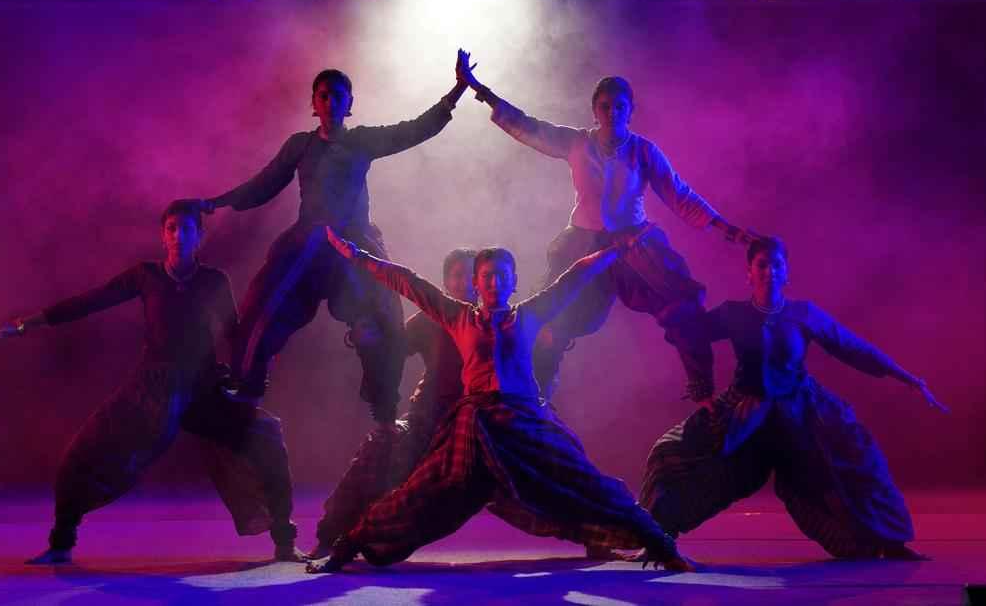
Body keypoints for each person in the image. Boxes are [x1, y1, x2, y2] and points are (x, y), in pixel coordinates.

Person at [308, 227, 695, 573]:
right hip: (475, 423)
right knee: (418, 492)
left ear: (514, 281)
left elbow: (575, 276)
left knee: (587, 481)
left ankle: (662, 546)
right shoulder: (458, 316)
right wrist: (357, 255)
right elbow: (408, 281)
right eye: (487, 277)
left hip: (524, 418)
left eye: (501, 276)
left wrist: (615, 249)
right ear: (477, 283)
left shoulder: (529, 314)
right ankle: (345, 549)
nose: (494, 283)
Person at [0, 200, 302, 564]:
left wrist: (255, 367)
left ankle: (285, 543)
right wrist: (25, 324)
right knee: (83, 452)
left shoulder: (214, 280)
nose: (179, 235)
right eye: (172, 229)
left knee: (265, 436)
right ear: (163, 236)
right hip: (152, 389)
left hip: (202, 388)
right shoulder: (145, 276)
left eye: (187, 229)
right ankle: (61, 543)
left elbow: (235, 333)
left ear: (199, 236)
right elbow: (91, 301)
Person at [454, 56, 758, 406]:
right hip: (583, 243)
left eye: (619, 107)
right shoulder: (576, 142)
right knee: (548, 320)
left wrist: (729, 230)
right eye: (605, 106)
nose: (612, 112)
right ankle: (532, 398)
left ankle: (705, 396)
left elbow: (680, 195)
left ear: (630, 111)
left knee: (681, 307)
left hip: (634, 243)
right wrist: (479, 89)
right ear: (594, 110)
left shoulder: (644, 151)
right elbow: (528, 126)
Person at [190, 53, 472, 427]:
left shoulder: (361, 140)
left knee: (381, 320)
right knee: (261, 307)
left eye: (338, 95)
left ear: (349, 102)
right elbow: (265, 183)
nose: (330, 101)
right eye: (323, 95)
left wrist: (457, 90)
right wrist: (217, 202)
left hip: (352, 247)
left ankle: (384, 412)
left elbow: (414, 130)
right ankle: (248, 386)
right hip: (308, 244)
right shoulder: (300, 145)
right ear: (314, 103)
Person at [639, 236, 947, 560]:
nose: (769, 271)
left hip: (800, 411)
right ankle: (656, 537)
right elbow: (692, 333)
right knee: (673, 454)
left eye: (776, 265)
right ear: (749, 273)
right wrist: (668, 306)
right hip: (746, 410)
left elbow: (853, 347)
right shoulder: (733, 314)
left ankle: (889, 543)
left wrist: (908, 378)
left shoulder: (804, 314)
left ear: (786, 272)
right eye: (762, 265)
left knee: (855, 460)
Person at [311, 248, 476, 557]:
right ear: (445, 282)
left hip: (475, 422)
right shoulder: (430, 319)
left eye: (471, 275)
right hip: (428, 416)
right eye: (458, 275)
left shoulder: (490, 321)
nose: (465, 282)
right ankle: (333, 535)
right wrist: (370, 338)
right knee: (381, 448)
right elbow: (394, 350)